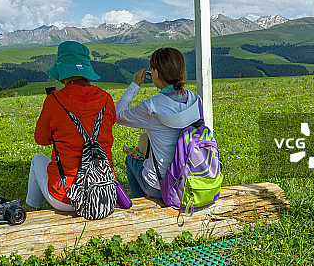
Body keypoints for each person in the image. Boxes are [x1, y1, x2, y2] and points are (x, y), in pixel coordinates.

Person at [26, 41, 116, 211]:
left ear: (63, 72)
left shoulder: (54, 100)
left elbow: (41, 139)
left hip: (66, 197)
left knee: (37, 159)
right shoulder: (106, 98)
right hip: (103, 192)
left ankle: (32, 212)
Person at [115, 47, 202, 199]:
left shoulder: (152, 107)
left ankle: (141, 203)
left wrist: (135, 84)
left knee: (130, 159)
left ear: (156, 73)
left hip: (161, 185)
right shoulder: (195, 99)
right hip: (192, 179)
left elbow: (117, 115)